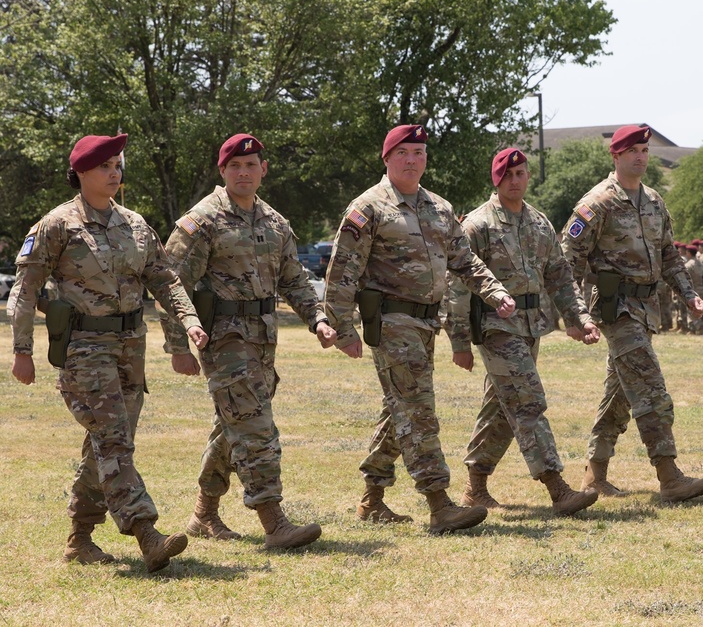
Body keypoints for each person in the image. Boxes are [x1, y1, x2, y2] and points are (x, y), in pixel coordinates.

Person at [8, 134, 209, 572]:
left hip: (129, 348)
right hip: (83, 349)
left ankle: (79, 538)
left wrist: (190, 321)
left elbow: (166, 280)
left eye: (118, 165)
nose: (114, 173)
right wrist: (21, 350)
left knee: (107, 443)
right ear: (81, 172)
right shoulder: (57, 225)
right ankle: (146, 532)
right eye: (105, 166)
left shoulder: (136, 225)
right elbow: (25, 291)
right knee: (113, 438)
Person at [323, 124, 516, 534]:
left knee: (401, 408)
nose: (413, 160)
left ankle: (372, 499)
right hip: (390, 322)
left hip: (427, 322)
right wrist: (342, 329)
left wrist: (495, 293)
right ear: (387, 158)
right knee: (418, 409)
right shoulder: (368, 208)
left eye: (419, 153)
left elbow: (466, 262)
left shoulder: (440, 209)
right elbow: (342, 273)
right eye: (404, 152)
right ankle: (439, 503)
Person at [161, 133, 335, 550]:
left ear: (263, 170)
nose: (244, 172)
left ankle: (204, 515)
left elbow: (294, 279)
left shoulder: (275, 223)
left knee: (232, 424)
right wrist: (179, 347)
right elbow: (170, 284)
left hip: (263, 342)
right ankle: (273, 521)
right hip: (222, 341)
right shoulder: (202, 221)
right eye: (235, 166)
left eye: (251, 165)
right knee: (256, 428)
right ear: (222, 172)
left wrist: (318, 319)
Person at [561, 125, 703, 504]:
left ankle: (595, 475)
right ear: (615, 156)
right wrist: (575, 314)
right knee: (650, 389)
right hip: (616, 310)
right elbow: (568, 259)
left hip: (647, 309)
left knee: (621, 396)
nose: (641, 157)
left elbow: (669, 255)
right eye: (632, 150)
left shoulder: (654, 200)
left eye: (645, 150)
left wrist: (689, 295)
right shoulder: (598, 202)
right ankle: (669, 475)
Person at [446, 148, 600, 517]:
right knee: (528, 401)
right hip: (496, 327)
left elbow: (559, 276)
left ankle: (475, 487)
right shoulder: (477, 225)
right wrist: (459, 341)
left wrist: (579, 318)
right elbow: (458, 284)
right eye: (508, 175)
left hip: (532, 327)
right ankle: (557, 488)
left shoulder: (539, 222)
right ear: (496, 179)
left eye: (521, 173)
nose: (515, 181)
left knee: (502, 407)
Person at [683, 245, 703, 335]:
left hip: (691, 289)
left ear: (689, 253)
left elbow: (685, 279)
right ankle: (692, 329)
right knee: (699, 309)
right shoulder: (701, 263)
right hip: (700, 287)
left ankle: (699, 327)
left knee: (691, 310)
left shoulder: (688, 265)